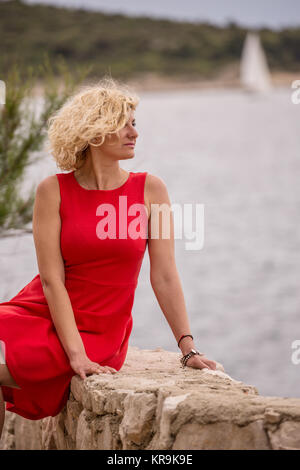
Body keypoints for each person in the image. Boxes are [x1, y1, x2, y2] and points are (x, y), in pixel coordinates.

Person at [0, 77, 217, 439]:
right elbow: (51, 279)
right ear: (95, 131)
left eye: (135, 123)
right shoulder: (52, 191)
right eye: (125, 124)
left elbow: (164, 275)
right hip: (46, 311)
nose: (135, 132)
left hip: (101, 330)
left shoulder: (152, 189)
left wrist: (187, 347)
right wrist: (74, 354)